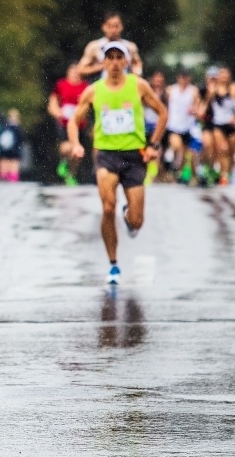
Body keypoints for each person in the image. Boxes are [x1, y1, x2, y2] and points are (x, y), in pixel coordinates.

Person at [67, 42, 166, 285]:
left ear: (125, 62)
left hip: (134, 156)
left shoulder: (139, 86)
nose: (113, 63)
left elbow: (162, 112)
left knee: (136, 221)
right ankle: (113, 265)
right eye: (108, 58)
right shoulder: (94, 90)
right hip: (107, 155)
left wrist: (153, 145)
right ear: (103, 62)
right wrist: (76, 144)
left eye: (117, 58)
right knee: (107, 207)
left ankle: (128, 216)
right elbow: (73, 121)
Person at [47, 63, 88, 186]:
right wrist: (57, 113)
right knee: (68, 147)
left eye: (77, 72)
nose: (75, 74)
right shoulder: (61, 85)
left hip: (79, 123)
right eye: (73, 71)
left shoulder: (85, 87)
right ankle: (64, 161)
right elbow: (52, 103)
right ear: (68, 73)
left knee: (78, 152)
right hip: (64, 122)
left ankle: (71, 174)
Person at [77, 11, 143, 81]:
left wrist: (136, 72)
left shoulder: (130, 47)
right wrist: (101, 67)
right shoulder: (94, 46)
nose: (113, 30)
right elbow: (81, 70)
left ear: (122, 26)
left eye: (116, 26)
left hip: (125, 86)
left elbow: (137, 64)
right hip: (102, 87)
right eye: (110, 26)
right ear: (103, 27)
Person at [165, 69, 199, 183]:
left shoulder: (193, 91)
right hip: (174, 126)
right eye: (182, 77)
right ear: (178, 78)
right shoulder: (171, 90)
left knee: (185, 154)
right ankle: (172, 165)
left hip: (187, 126)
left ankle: (178, 172)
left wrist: (194, 110)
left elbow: (197, 107)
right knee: (176, 146)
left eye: (186, 77)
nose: (184, 80)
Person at [0, 108, 25, 182]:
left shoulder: (4, 126)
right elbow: (21, 139)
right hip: (15, 150)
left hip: (4, 150)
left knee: (4, 164)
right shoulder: (18, 128)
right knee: (14, 165)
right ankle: (12, 179)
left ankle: (4, 179)